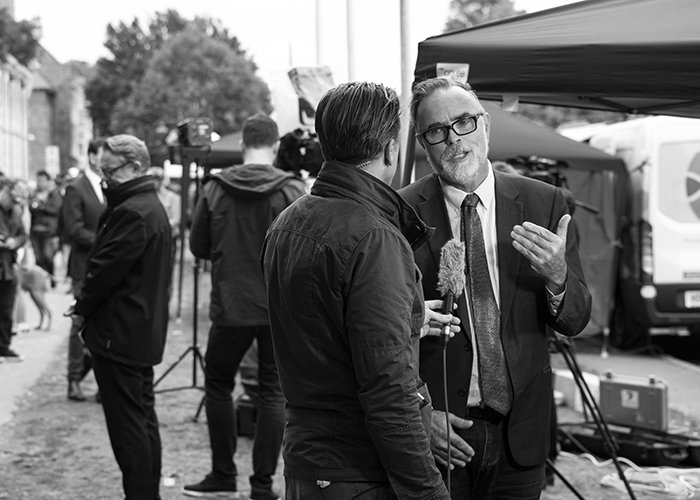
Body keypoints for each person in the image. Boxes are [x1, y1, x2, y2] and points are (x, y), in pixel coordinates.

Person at [399, 77, 592, 500]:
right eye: (436, 131)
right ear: (423, 144)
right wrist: (419, 413)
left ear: (485, 126)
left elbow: (575, 318)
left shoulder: (545, 203)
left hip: (519, 436)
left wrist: (558, 276)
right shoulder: (399, 213)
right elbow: (381, 335)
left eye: (464, 122)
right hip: (440, 437)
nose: (453, 139)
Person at [262, 82, 456, 500]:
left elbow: (323, 327)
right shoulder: (373, 236)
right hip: (356, 469)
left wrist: (410, 321)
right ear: (391, 149)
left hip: (310, 460)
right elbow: (389, 387)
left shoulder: (289, 220)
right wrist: (428, 491)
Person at [184, 114, 306, 500]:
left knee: (218, 384)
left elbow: (199, 246)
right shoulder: (292, 191)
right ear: (273, 147)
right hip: (276, 308)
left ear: (243, 145)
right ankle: (262, 486)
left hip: (231, 306)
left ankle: (223, 474)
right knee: (273, 392)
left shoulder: (215, 189)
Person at [70, 134, 172, 500]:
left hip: (122, 333)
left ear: (134, 167)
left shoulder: (135, 210)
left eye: (110, 170)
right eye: (102, 170)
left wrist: (81, 309)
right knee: (140, 421)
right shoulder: (143, 205)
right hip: (133, 330)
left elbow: (104, 270)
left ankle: (142, 494)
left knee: (130, 429)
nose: (105, 178)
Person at [61, 138, 106, 402]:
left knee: (102, 324)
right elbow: (74, 230)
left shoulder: (108, 186)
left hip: (104, 266)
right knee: (78, 324)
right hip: (83, 266)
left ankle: (102, 381)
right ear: (91, 157)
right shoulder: (76, 188)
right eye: (103, 155)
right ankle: (74, 380)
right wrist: (107, 242)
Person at [0, 178, 27, 361]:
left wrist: (14, 242)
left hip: (8, 266)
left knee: (6, 310)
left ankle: (3, 347)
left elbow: (23, 235)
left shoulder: (16, 211)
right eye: (14, 198)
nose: (16, 203)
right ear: (6, 191)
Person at [28, 170, 62, 285]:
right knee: (38, 257)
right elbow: (31, 209)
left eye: (43, 181)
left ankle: (52, 278)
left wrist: (42, 205)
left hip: (49, 231)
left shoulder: (54, 194)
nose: (40, 183)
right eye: (39, 181)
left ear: (48, 182)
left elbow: (56, 209)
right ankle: (40, 281)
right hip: (35, 230)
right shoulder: (34, 194)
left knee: (48, 256)